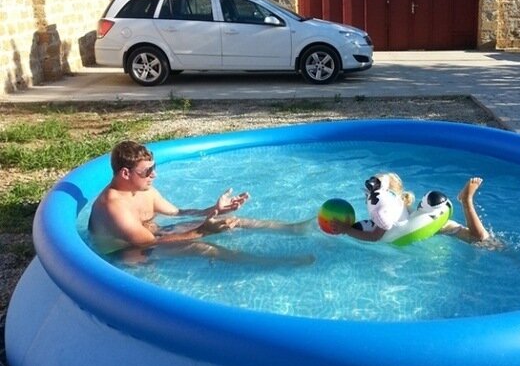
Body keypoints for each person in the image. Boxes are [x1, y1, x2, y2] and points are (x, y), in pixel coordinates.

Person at [88, 140, 312, 264]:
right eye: (147, 171)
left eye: (153, 167)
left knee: (231, 220)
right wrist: (203, 231)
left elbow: (178, 213)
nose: (154, 174)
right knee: (202, 247)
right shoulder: (114, 207)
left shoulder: (144, 189)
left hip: (155, 236)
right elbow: (149, 243)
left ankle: (293, 229)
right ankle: (273, 264)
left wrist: (215, 210)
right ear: (125, 174)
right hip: (127, 254)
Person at [329, 172, 491, 245]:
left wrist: (346, 230)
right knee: (484, 241)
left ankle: (466, 200)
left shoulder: (387, 215)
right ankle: (466, 201)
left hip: (432, 227)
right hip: (429, 227)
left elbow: (374, 237)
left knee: (483, 241)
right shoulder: (402, 210)